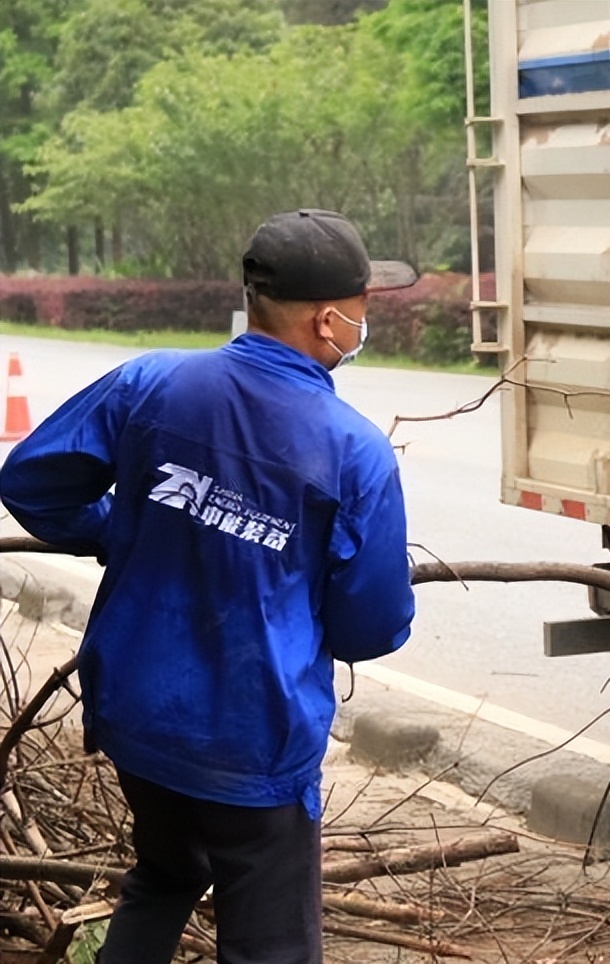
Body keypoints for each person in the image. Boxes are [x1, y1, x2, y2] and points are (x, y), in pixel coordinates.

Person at [0, 209, 418, 963]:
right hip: (251, 740)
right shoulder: (354, 451)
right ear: (328, 321)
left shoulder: (150, 382)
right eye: (363, 305)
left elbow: (32, 482)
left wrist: (121, 528)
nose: (365, 320)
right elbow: (372, 626)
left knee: (166, 873)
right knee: (270, 946)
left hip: (135, 715)